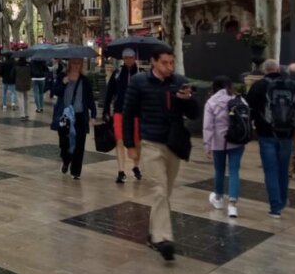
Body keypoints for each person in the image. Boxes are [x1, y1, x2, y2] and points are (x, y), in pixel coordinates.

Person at [123, 46, 198, 262]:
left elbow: (194, 113)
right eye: (164, 63)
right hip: (150, 144)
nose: (169, 67)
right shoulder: (139, 82)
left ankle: (153, 233)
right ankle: (163, 238)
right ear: (153, 62)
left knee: (165, 192)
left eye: (171, 63)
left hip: (174, 144)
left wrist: (188, 99)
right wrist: (130, 145)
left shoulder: (179, 82)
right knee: (159, 190)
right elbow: (128, 114)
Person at [247, 58, 295, 218]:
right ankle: (282, 201)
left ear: (264, 71)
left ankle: (275, 208)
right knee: (283, 170)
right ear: (278, 69)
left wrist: (250, 130)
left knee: (270, 171)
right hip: (287, 134)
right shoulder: (292, 86)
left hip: (266, 134)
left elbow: (249, 109)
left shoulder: (258, 86)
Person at [202, 76, 244, 218]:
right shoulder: (239, 99)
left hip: (218, 142)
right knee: (234, 171)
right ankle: (232, 205)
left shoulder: (211, 102)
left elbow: (208, 126)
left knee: (219, 170)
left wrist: (207, 144)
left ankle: (219, 198)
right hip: (237, 140)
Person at [50, 58, 97, 179]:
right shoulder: (62, 77)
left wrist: (93, 115)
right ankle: (66, 160)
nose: (76, 66)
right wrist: (63, 83)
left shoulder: (84, 80)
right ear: (70, 64)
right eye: (74, 63)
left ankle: (76, 171)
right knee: (64, 143)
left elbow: (90, 98)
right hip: (65, 116)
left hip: (80, 115)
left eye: (79, 63)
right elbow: (54, 91)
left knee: (79, 144)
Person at [103, 48, 143, 185]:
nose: (128, 60)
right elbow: (109, 92)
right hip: (120, 112)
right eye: (125, 58)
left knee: (137, 143)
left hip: (136, 114)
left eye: (130, 57)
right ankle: (121, 171)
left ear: (135, 58)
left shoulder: (141, 75)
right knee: (119, 141)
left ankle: (136, 166)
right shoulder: (117, 74)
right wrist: (106, 110)